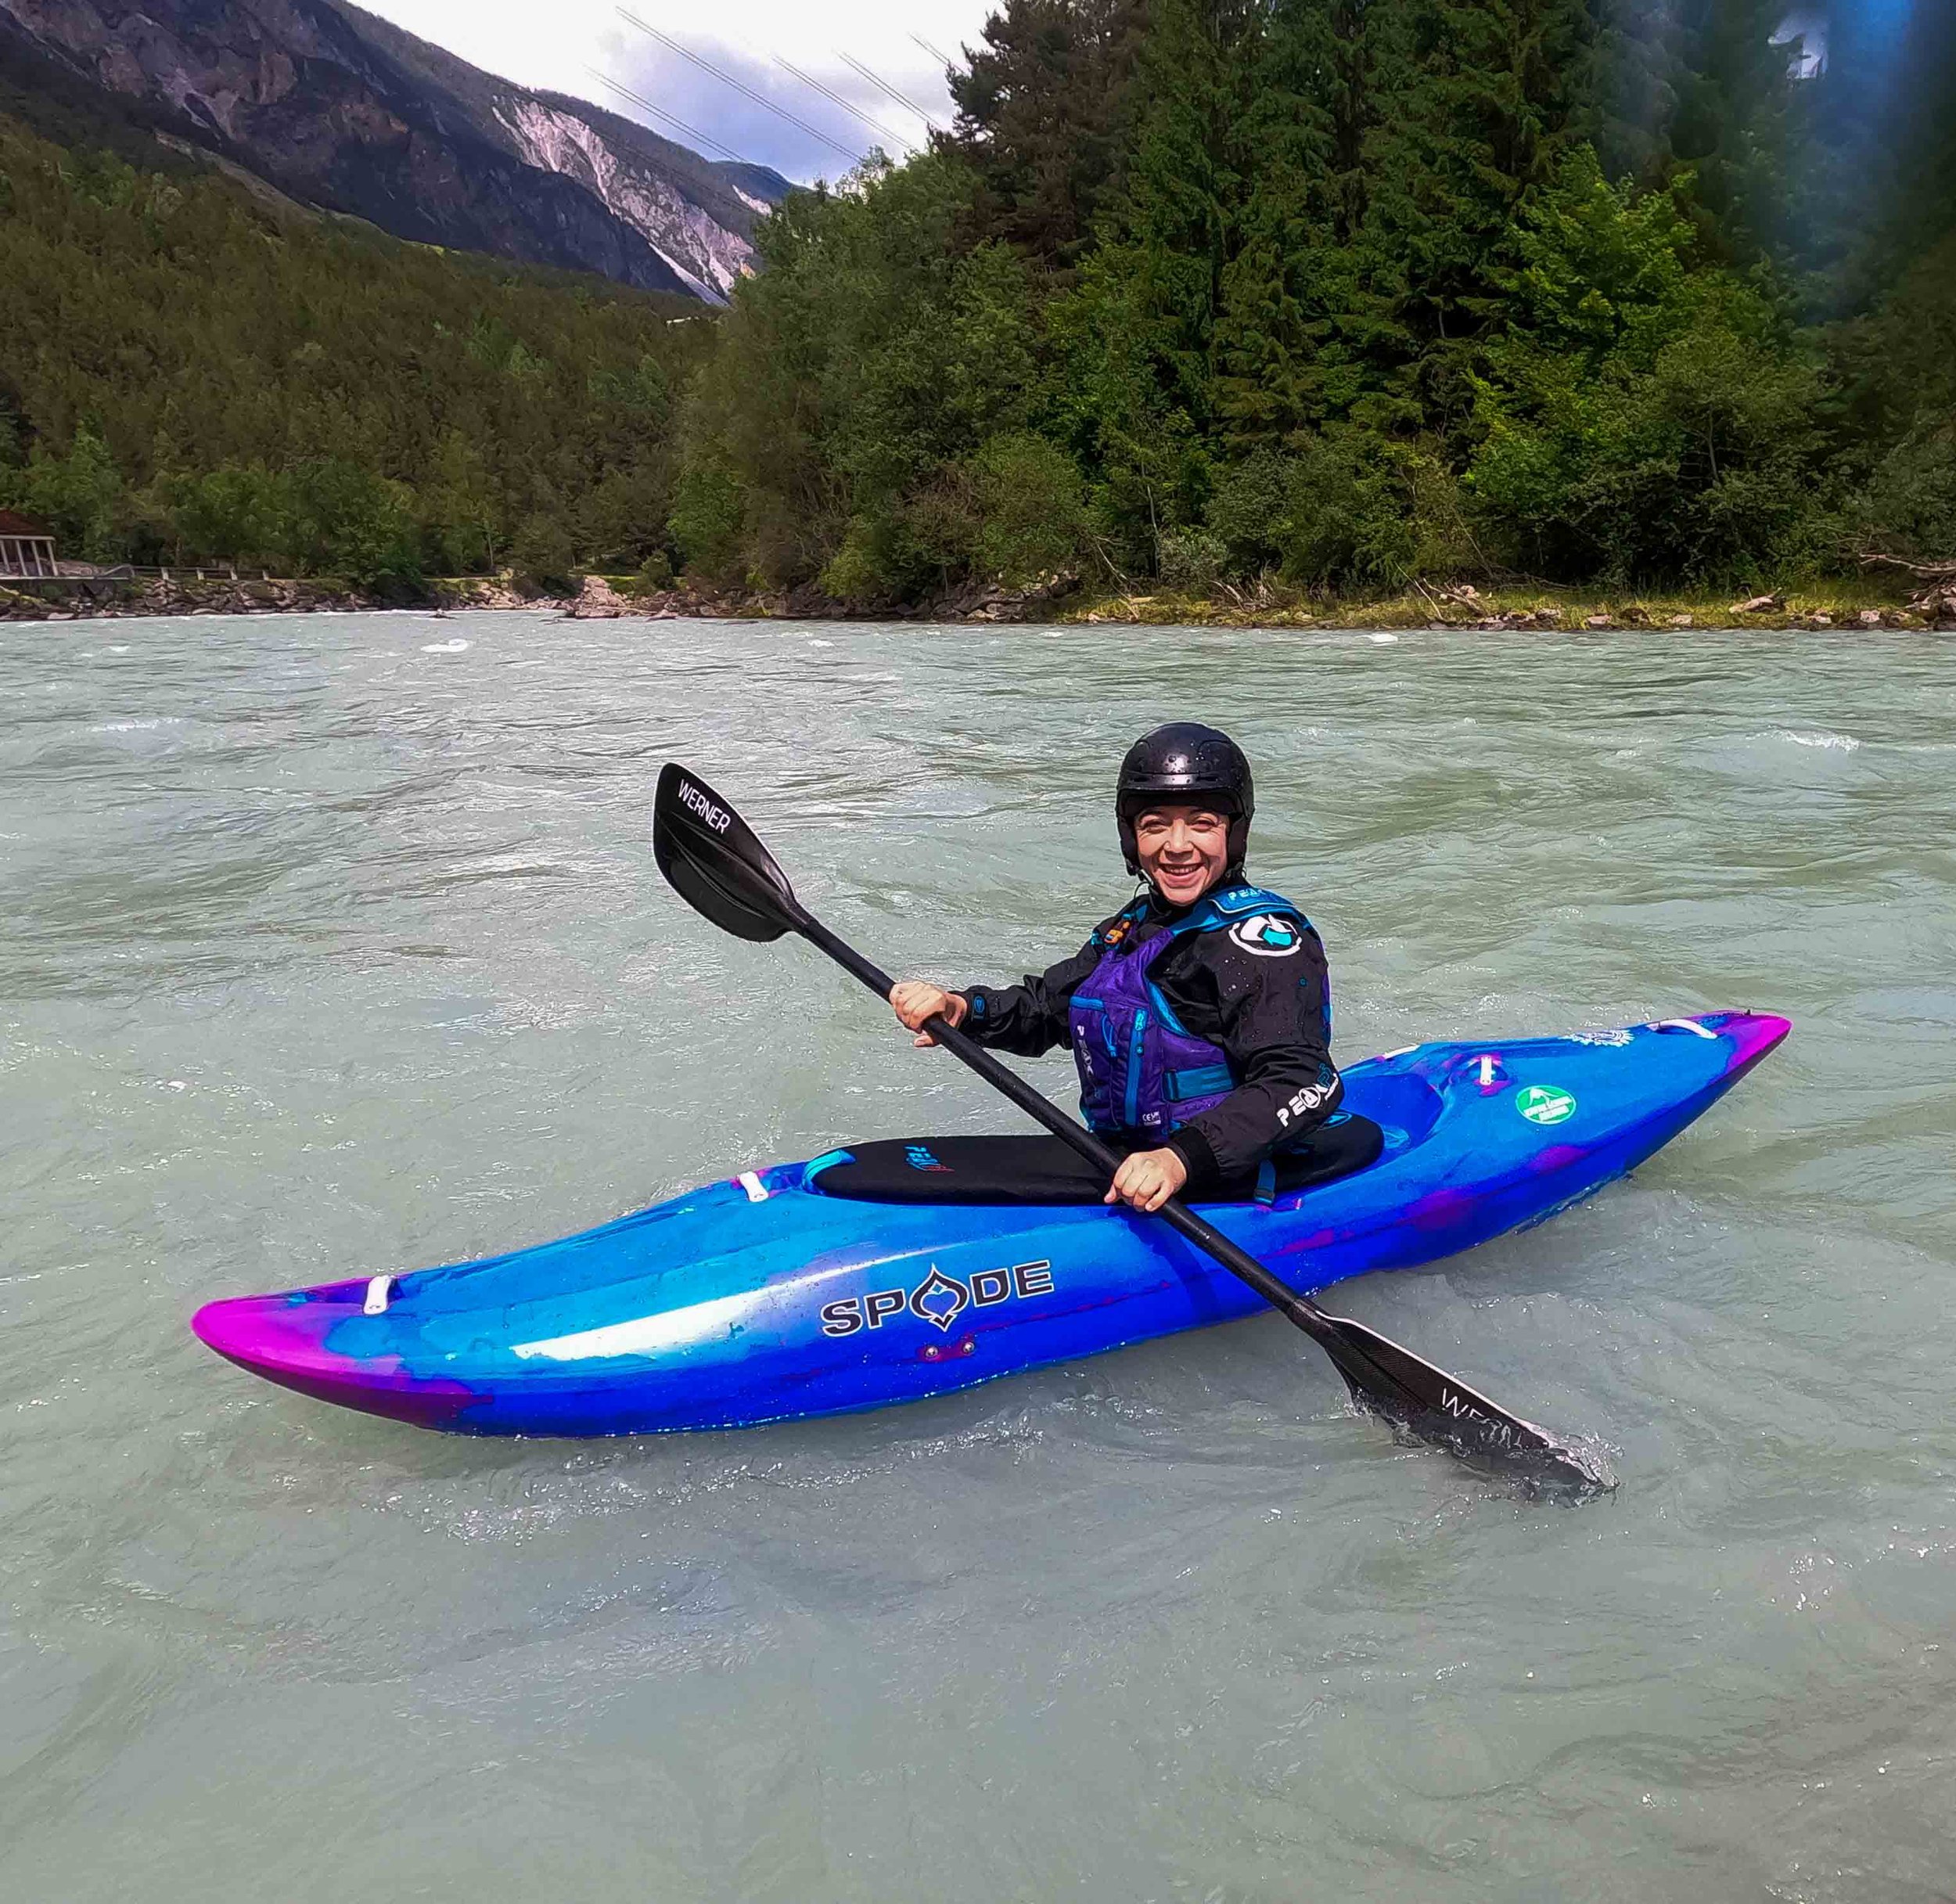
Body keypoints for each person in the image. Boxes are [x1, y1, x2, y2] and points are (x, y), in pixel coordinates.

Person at [888, 722, 1380, 1213]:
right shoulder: (1134, 926)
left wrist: (1178, 1159)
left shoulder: (1259, 941)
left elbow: (1303, 1079)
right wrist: (963, 1009)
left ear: (1235, 834)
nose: (1177, 845)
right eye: (1155, 825)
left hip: (1225, 1171)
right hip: (1130, 1163)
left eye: (1202, 822)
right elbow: (1048, 1008)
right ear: (1133, 838)